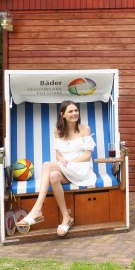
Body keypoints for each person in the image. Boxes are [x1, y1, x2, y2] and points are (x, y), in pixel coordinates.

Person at [16, 100, 97, 237]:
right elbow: (58, 154)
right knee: (53, 176)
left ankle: (37, 209)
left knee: (47, 165)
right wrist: (62, 160)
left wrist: (69, 161)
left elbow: (87, 156)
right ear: (62, 114)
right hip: (66, 167)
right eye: (70, 111)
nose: (74, 113)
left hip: (81, 168)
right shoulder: (58, 131)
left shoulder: (85, 129)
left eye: (76, 110)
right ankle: (66, 217)